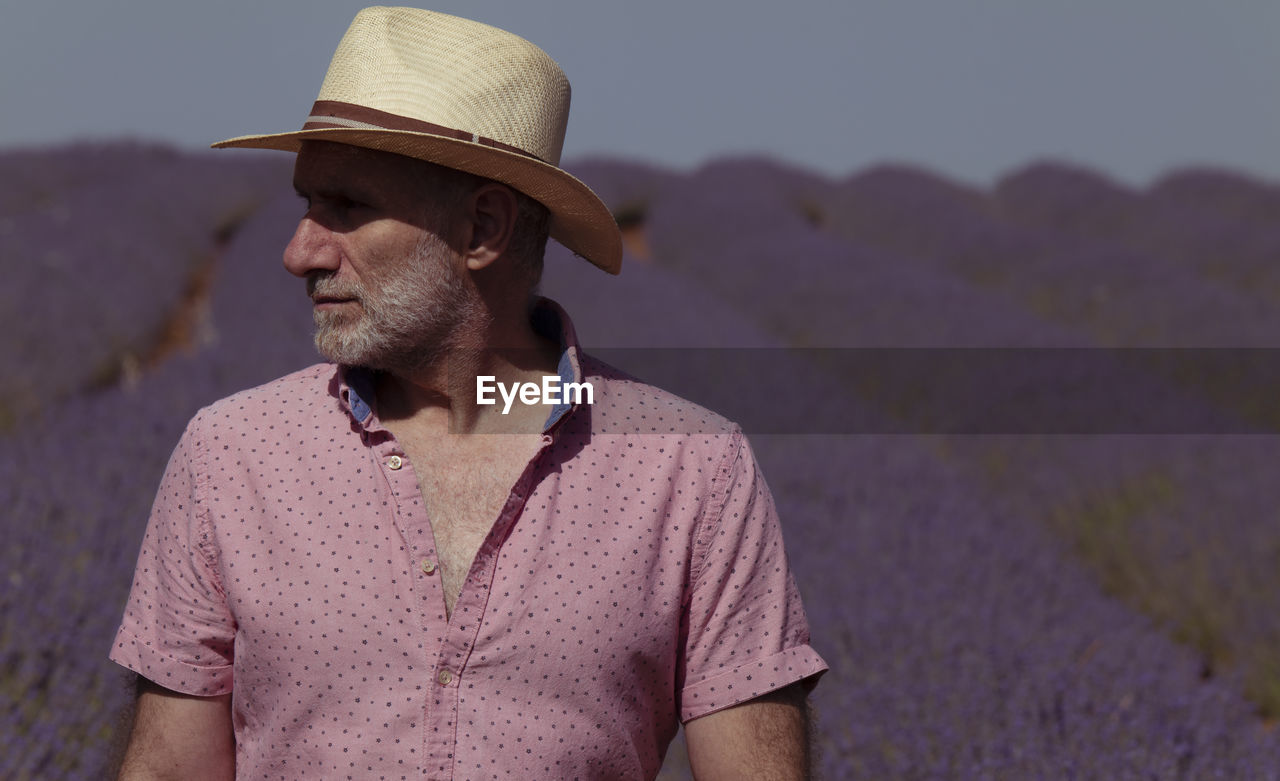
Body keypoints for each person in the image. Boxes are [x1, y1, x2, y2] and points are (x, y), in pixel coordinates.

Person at [111, 8, 826, 779]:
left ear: (483, 227)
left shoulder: (692, 472)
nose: (298, 251)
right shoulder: (232, 456)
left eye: (346, 207)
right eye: (305, 205)